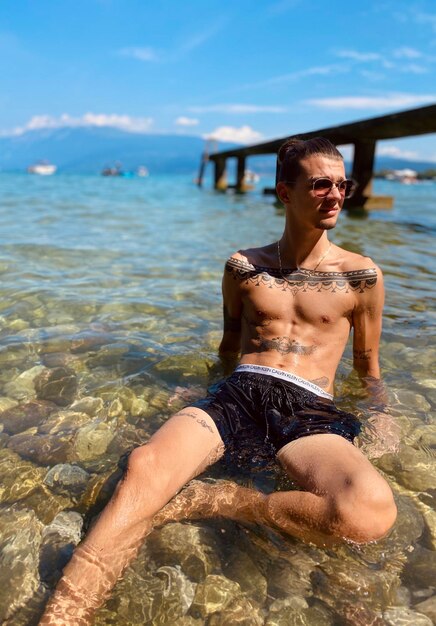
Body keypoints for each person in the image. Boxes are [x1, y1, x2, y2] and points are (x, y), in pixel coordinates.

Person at [40, 137, 398, 624]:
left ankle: (224, 500)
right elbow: (229, 348)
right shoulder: (244, 266)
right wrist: (201, 392)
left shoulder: (361, 276)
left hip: (309, 410)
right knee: (144, 469)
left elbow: (367, 366)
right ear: (284, 192)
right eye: (320, 184)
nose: (336, 195)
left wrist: (381, 414)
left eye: (342, 184)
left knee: (367, 512)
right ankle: (64, 616)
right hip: (238, 393)